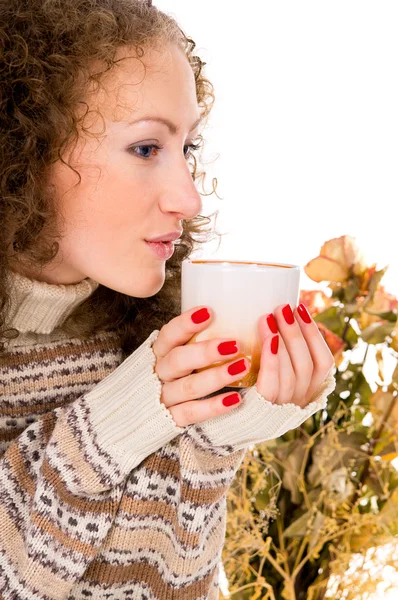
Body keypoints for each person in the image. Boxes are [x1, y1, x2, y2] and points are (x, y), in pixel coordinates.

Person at [0, 0, 336, 598]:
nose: (189, 197)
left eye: (188, 149)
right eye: (146, 148)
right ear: (25, 149)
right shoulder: (143, 373)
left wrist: (229, 421)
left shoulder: (150, 338)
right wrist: (113, 422)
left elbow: (174, 584)